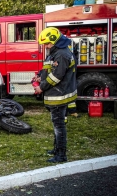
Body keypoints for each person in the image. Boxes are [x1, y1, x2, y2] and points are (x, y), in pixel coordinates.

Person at [34, 27, 77, 163]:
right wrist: (40, 76)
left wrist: (41, 87)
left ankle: (61, 155)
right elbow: (48, 69)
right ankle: (57, 148)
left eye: (47, 44)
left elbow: (56, 77)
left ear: (55, 40)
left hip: (59, 95)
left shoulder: (62, 54)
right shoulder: (55, 51)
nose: (45, 46)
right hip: (56, 93)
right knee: (57, 123)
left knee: (59, 125)